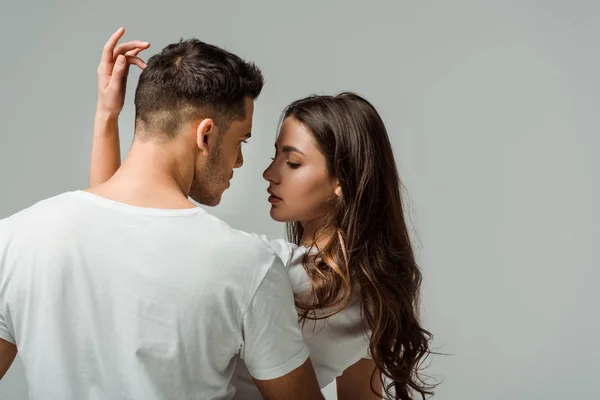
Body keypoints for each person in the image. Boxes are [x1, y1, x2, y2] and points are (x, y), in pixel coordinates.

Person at [92, 30, 436, 400]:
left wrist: (107, 116)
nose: (269, 173)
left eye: (292, 162)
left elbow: (117, 224)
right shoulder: (371, 292)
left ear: (342, 181)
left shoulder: (266, 267)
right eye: (274, 156)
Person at [0, 27, 325, 400]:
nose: (238, 161)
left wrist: (107, 115)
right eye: (241, 141)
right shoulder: (250, 267)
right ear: (205, 136)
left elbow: (109, 226)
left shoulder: (14, 240)